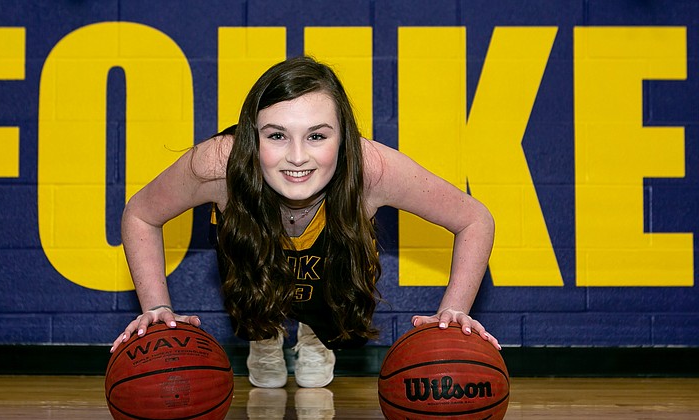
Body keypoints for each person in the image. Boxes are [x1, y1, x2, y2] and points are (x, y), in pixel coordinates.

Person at [111, 56, 499, 389]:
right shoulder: (217, 164)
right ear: (252, 137)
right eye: (277, 135)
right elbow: (141, 213)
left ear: (343, 137)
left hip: (333, 269)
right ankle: (263, 333)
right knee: (248, 254)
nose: (297, 157)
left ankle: (317, 334)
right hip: (255, 260)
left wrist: (455, 311)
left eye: (316, 135)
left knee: (341, 271)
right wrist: (156, 306)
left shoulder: (373, 169)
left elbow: (474, 218)